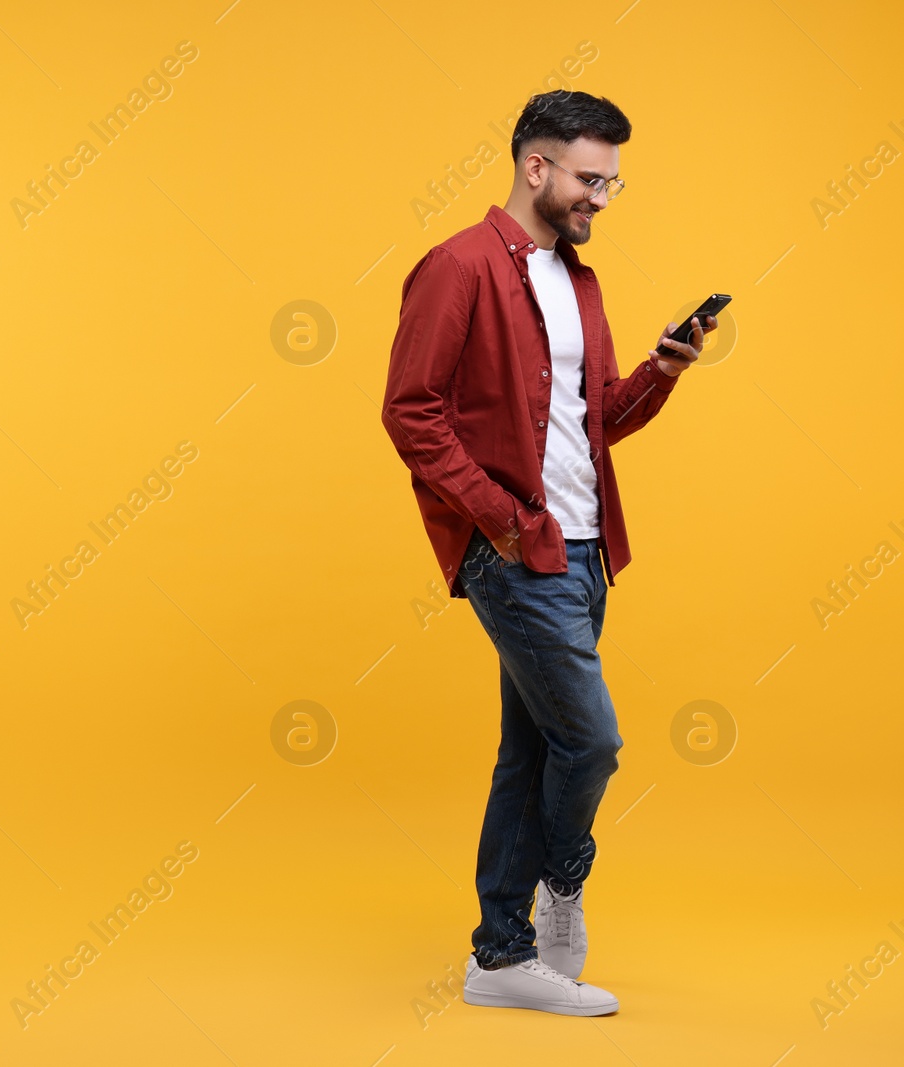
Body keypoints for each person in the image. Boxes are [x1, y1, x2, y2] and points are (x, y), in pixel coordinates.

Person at [380, 89, 716, 1016]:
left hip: (585, 548)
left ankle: (497, 957)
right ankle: (557, 893)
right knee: (590, 739)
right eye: (589, 178)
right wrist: (495, 517)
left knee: (528, 752)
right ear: (537, 167)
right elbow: (410, 410)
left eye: (612, 182)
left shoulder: (580, 282)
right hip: (516, 551)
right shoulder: (458, 268)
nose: (602, 197)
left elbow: (594, 418)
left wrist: (662, 371)